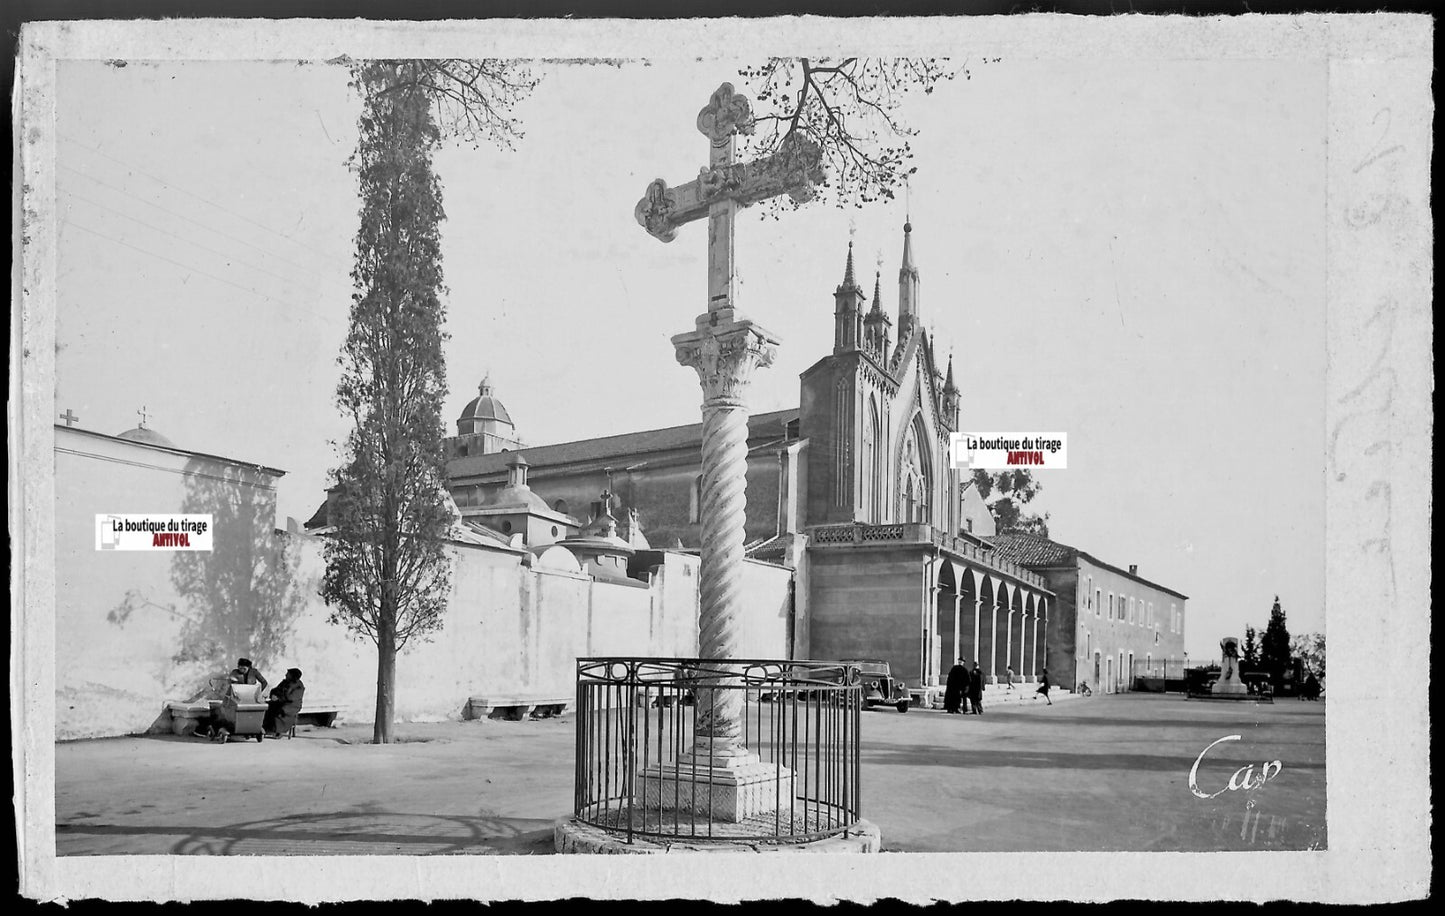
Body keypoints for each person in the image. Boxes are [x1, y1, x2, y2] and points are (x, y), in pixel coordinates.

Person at [262, 668, 305, 738]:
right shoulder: (285, 682)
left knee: (279, 711)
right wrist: (273, 695)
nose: (286, 675)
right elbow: (275, 689)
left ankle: (278, 731)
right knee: (266, 706)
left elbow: (291, 697)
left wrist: (278, 698)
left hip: (291, 705)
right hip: (280, 702)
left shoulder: (299, 686)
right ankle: (264, 728)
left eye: (288, 674)